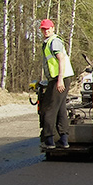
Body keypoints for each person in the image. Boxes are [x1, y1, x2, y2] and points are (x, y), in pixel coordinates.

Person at [39, 18, 75, 150]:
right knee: (60, 109)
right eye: (43, 29)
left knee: (49, 109)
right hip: (58, 78)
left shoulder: (54, 41)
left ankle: (49, 140)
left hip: (60, 79)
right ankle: (63, 140)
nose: (46, 31)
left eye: (48, 28)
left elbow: (61, 59)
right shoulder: (48, 42)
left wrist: (59, 79)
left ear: (53, 28)